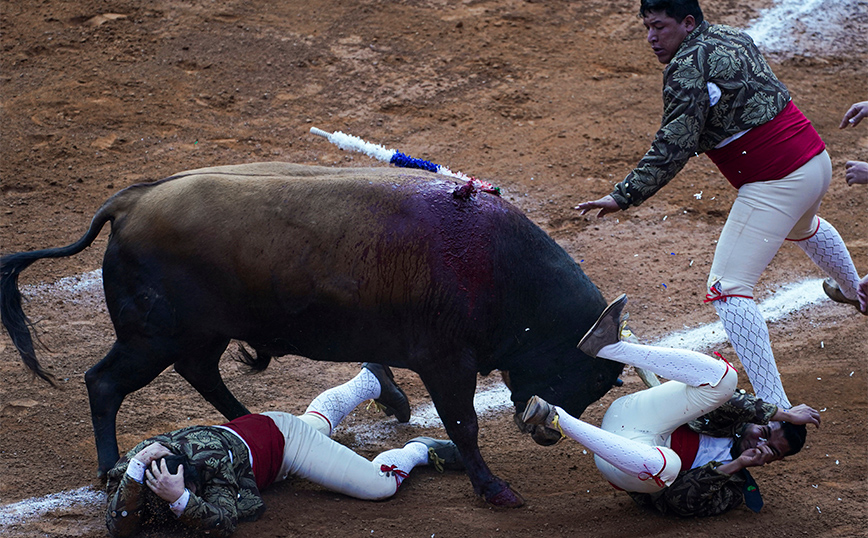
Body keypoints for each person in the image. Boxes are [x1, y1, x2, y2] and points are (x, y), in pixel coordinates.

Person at [575, 0, 865, 410]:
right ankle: (858, 291)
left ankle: (774, 407)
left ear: (687, 22)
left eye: (659, 27)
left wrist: (624, 194)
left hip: (776, 180)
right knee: (805, 226)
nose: (651, 38)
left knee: (728, 290)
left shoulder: (684, 68)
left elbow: (676, 141)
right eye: (647, 28)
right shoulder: (731, 35)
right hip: (814, 162)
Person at [522, 294, 821, 517]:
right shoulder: (733, 417)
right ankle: (611, 347)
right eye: (766, 432)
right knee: (723, 379)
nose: (760, 441)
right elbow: (734, 401)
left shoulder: (733, 491)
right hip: (634, 418)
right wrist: (781, 413)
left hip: (625, 463)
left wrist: (736, 466)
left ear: (774, 462)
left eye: (773, 450)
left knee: (667, 467)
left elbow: (677, 501)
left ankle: (556, 419)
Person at [105, 363, 463, 537]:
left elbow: (222, 523)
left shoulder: (211, 469)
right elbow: (118, 527)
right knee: (316, 424)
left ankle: (418, 449)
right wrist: (136, 471)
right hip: (259, 430)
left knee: (378, 485)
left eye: (192, 488)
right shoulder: (144, 461)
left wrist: (181, 499)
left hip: (285, 443)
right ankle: (370, 380)